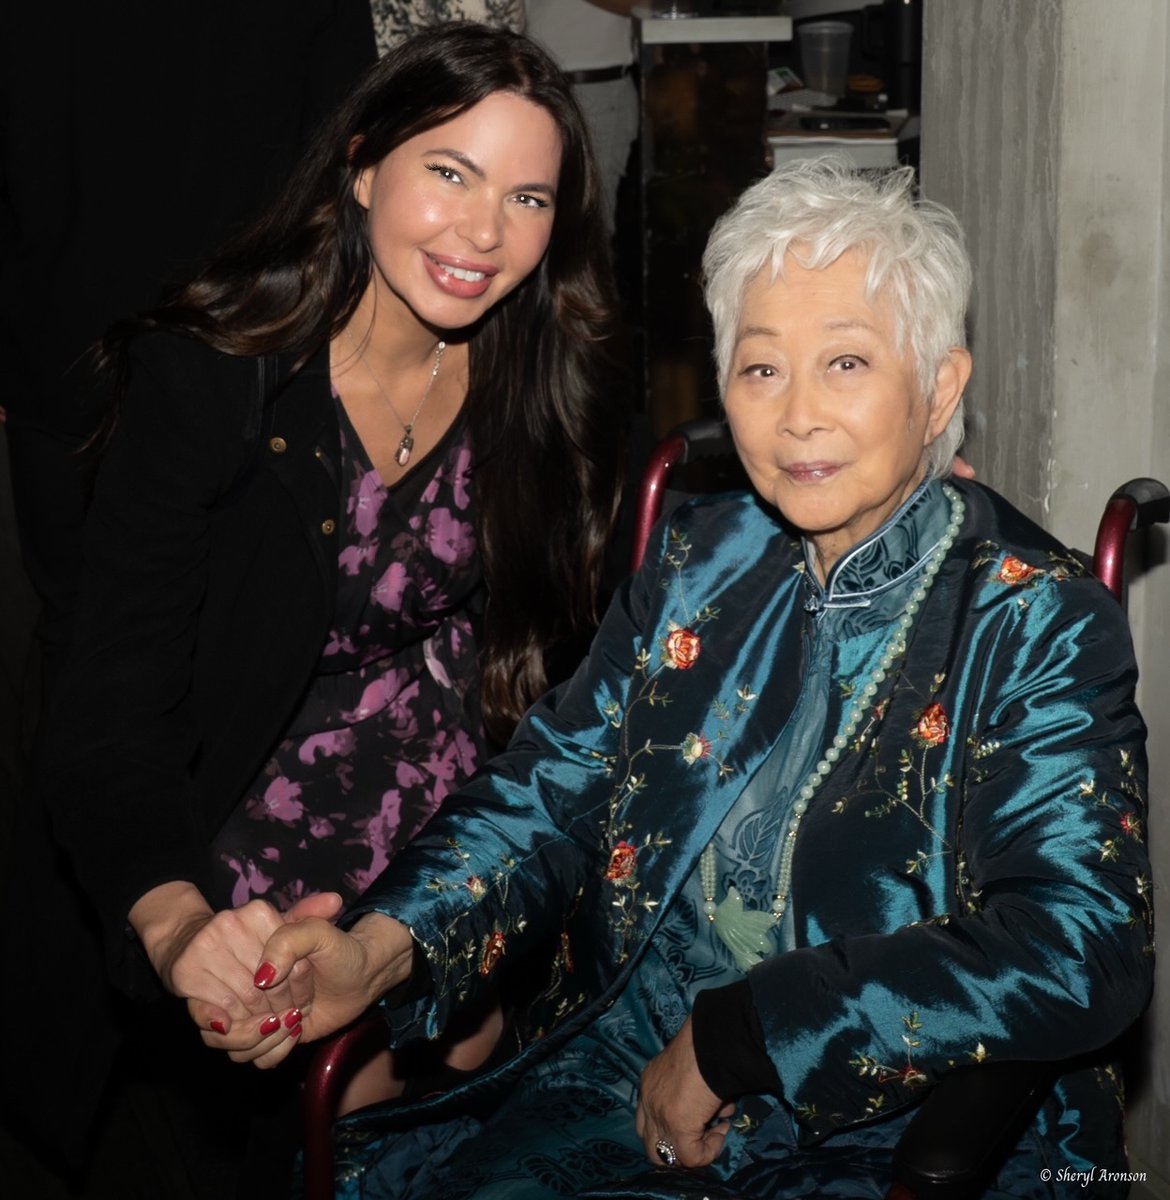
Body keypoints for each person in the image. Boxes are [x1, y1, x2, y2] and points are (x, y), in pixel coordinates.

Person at [205, 157, 1151, 1199]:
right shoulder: (704, 558)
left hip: (874, 1132)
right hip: (617, 1068)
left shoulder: (1035, 616)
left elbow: (1078, 943)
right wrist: (376, 950)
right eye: (760, 369)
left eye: (846, 365)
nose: (796, 416)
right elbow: (552, 791)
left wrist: (745, 1036)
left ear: (940, 391)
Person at [38, 22, 622, 1197]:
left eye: (527, 197)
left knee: (481, 1097)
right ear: (361, 166)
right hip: (245, 817)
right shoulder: (210, 375)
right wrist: (177, 926)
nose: (482, 234)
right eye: (447, 174)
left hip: (464, 820)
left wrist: (873, 495)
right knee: (337, 1101)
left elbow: (606, 629)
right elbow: (105, 712)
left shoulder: (538, 372)